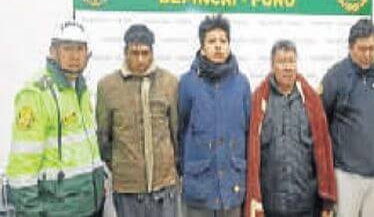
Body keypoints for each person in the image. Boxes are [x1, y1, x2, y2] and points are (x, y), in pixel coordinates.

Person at [6, 20, 105, 216]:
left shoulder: (80, 89)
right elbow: (22, 168)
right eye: (67, 49)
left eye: (80, 49)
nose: (74, 56)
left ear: (88, 54)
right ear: (53, 52)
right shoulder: (36, 94)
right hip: (57, 210)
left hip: (87, 207)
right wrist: (31, 212)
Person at [320, 19, 374, 217]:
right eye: (362, 49)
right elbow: (321, 122)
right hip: (346, 177)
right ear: (350, 48)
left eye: (372, 48)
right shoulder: (335, 77)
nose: (368, 54)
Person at [245, 40, 336, 217]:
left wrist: (327, 202)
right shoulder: (259, 101)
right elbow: (252, 156)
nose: (287, 67)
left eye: (291, 61)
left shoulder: (311, 102)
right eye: (282, 62)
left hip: (305, 204)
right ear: (272, 66)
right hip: (271, 204)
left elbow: (324, 153)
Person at [96, 24, 179, 216]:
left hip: (164, 187)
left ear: (152, 53)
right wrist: (122, 166)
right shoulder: (108, 87)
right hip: (128, 190)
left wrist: (172, 168)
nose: (140, 59)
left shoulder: (169, 83)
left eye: (145, 53)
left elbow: (177, 132)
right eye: (134, 53)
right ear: (125, 52)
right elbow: (103, 138)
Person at [178, 15, 251, 216]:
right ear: (202, 47)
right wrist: (185, 169)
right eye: (212, 41)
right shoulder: (187, 83)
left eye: (223, 41)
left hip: (232, 186)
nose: (218, 46)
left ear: (229, 45)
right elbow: (180, 130)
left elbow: (248, 132)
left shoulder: (242, 84)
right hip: (200, 187)